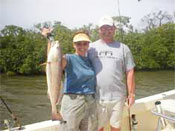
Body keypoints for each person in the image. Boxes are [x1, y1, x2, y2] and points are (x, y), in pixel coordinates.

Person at [42, 29, 98, 131]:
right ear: (74, 45)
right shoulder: (68, 58)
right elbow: (53, 60)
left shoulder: (90, 61)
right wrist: (49, 38)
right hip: (72, 102)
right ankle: (54, 111)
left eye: (85, 44)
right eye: (78, 44)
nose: (82, 46)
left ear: (88, 45)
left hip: (90, 102)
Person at [88, 15, 136, 131]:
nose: (106, 31)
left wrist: (131, 94)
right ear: (99, 30)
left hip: (118, 97)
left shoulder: (124, 48)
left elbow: (130, 71)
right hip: (96, 97)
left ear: (114, 29)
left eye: (109, 28)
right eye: (103, 28)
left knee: (115, 127)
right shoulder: (90, 47)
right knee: (98, 128)